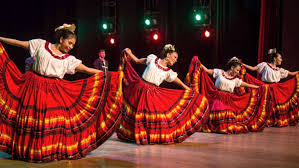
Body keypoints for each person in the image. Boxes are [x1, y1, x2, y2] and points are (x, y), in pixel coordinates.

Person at [0, 23, 123, 162]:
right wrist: (1, 39)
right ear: (61, 39)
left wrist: (111, 75)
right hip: (33, 86)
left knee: (52, 121)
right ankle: (29, 151)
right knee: (32, 118)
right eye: (69, 43)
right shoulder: (41, 45)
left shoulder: (68, 60)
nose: (70, 47)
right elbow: (19, 43)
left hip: (54, 90)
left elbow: (87, 70)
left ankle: (48, 150)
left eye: (73, 45)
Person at [116, 44, 209, 145]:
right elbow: (137, 61)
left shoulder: (169, 72)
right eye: (175, 57)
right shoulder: (153, 59)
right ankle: (132, 135)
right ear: (168, 55)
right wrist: (128, 52)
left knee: (149, 115)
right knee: (134, 112)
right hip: (140, 87)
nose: (176, 60)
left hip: (152, 92)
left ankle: (147, 136)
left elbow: (180, 83)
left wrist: (189, 90)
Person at [185, 56, 272, 134]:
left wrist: (260, 87)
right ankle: (218, 127)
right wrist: (199, 63)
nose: (238, 73)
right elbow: (206, 70)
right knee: (217, 110)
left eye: (239, 71)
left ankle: (222, 128)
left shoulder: (236, 80)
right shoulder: (219, 72)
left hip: (228, 100)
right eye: (237, 70)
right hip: (216, 98)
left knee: (228, 113)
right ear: (232, 67)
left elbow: (247, 85)